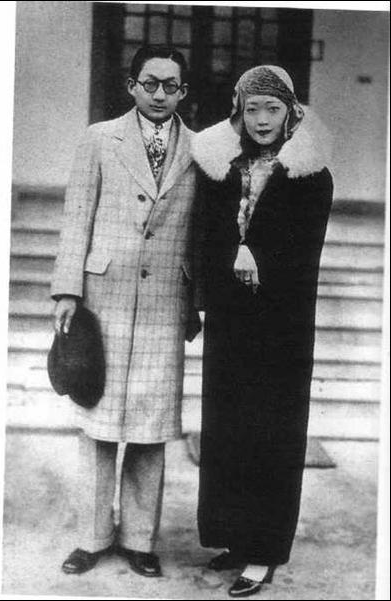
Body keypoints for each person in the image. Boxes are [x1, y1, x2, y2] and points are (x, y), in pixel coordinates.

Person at [51, 45, 199, 578]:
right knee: (99, 422)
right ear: (131, 85)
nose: (160, 94)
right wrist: (67, 290)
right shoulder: (98, 139)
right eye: (150, 83)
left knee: (149, 426)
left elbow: (203, 230)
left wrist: (197, 298)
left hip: (165, 300)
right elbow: (77, 217)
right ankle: (91, 537)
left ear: (184, 92)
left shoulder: (199, 149)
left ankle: (140, 540)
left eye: (171, 86)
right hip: (103, 296)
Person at [191, 65, 333, 597]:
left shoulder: (311, 175)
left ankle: (263, 551)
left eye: (272, 108)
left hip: (281, 327)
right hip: (231, 321)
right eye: (252, 109)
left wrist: (255, 254)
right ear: (238, 111)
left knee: (272, 433)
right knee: (227, 428)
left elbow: (304, 251)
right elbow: (207, 235)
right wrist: (231, 255)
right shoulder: (224, 168)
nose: (262, 119)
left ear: (291, 112)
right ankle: (234, 537)